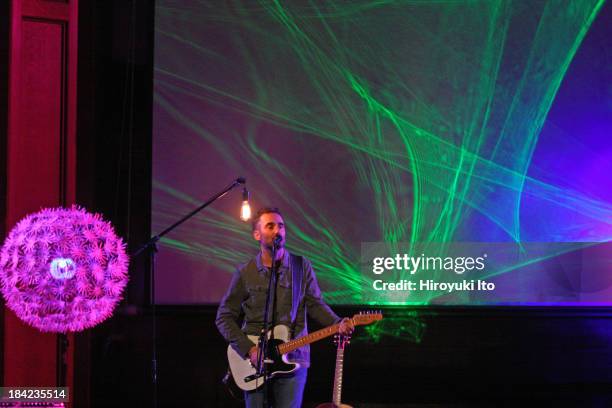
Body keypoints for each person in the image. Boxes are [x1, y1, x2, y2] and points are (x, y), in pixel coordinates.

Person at [216, 207, 353, 407]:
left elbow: (315, 304)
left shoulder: (301, 266)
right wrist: (249, 349)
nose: (277, 231)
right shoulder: (245, 272)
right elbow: (223, 317)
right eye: (270, 226)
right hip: (255, 361)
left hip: (294, 357)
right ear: (257, 234)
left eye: (281, 226)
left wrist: (337, 322)